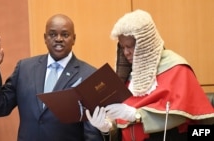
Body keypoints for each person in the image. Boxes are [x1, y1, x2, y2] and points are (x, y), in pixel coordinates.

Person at [85, 9, 214, 141]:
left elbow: (182, 113)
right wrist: (107, 128)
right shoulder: (127, 76)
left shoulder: (177, 68)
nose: (126, 53)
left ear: (145, 44)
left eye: (130, 46)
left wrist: (136, 115)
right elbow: (122, 128)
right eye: (123, 47)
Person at [0, 14, 105, 141]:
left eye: (65, 35)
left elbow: (91, 132)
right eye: (52, 34)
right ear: (45, 38)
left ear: (74, 39)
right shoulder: (24, 68)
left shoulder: (89, 75)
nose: (59, 39)